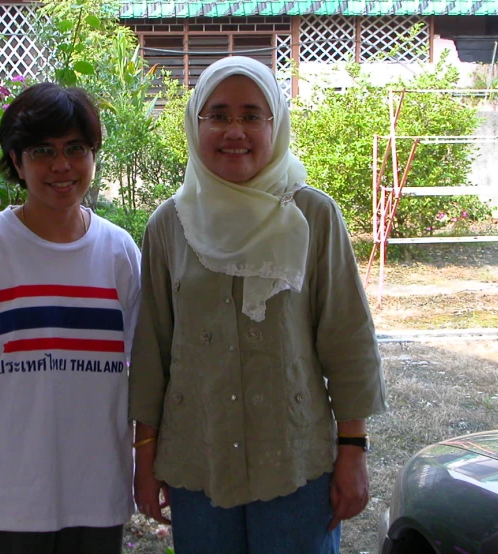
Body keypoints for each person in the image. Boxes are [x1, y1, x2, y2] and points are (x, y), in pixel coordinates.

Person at [129, 56, 387, 554]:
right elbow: (151, 350)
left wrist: (353, 450)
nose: (235, 130)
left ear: (277, 123)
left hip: (294, 462)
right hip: (197, 462)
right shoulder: (170, 224)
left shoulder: (312, 214)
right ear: (195, 123)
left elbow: (347, 338)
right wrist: (145, 456)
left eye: (252, 115)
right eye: (218, 114)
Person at [0, 83, 141, 554]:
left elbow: (142, 366)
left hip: (96, 487)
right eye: (43, 151)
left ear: (93, 156)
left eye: (76, 149)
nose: (61, 165)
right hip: (5, 495)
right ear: (17, 162)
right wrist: (4, 430)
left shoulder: (120, 252)